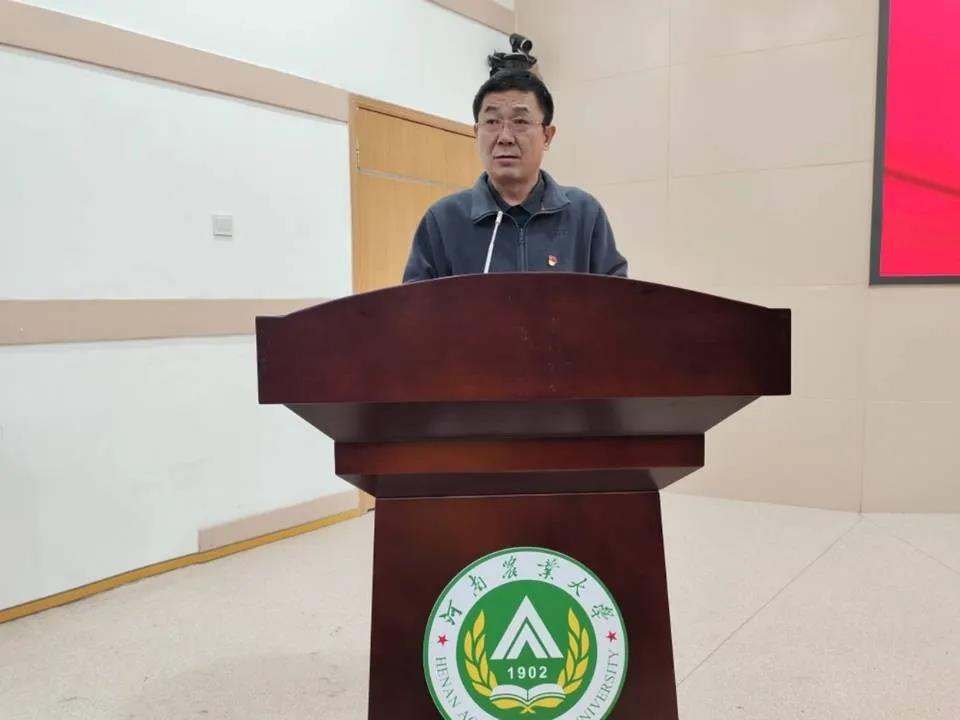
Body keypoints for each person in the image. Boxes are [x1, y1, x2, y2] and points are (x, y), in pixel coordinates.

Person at [402, 68, 627, 282]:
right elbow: (414, 305)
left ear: (547, 135)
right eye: (492, 122)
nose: (505, 137)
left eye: (520, 122)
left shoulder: (584, 215)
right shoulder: (444, 220)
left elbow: (617, 300)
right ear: (476, 133)